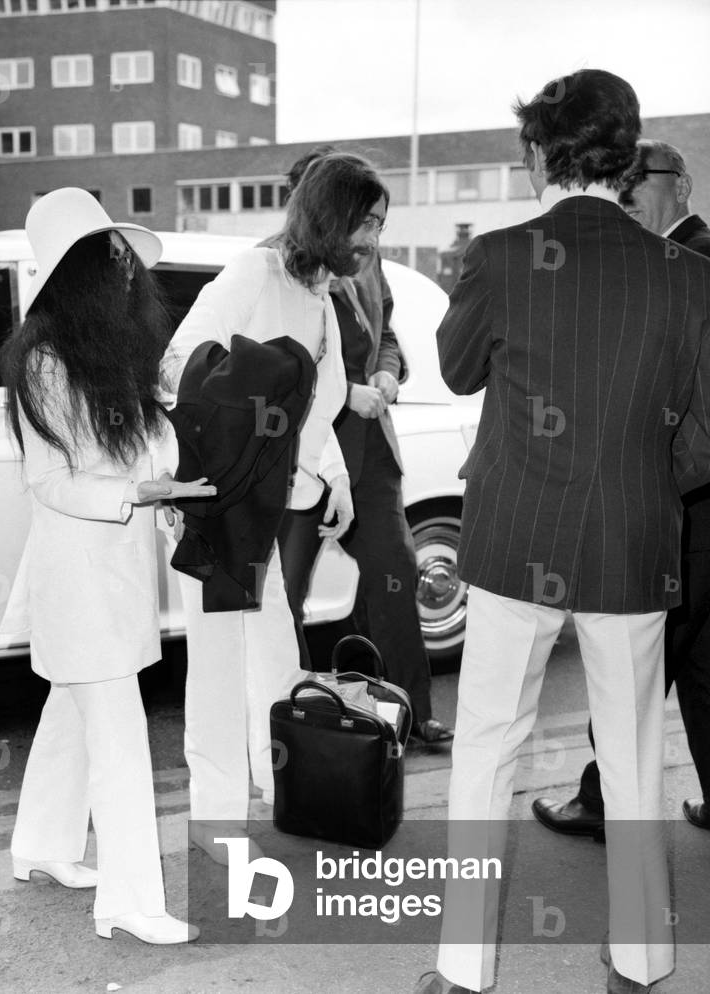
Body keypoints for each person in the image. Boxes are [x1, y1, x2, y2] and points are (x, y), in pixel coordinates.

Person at [415, 71, 710, 994]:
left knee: (486, 747)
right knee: (630, 754)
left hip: (511, 540)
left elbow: (459, 372)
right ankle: (641, 962)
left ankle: (464, 974)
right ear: (629, 159)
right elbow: (704, 433)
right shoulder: (689, 275)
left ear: (541, 153)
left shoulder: (501, 256)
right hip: (632, 541)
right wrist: (647, 484)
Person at [0, 188, 215, 945]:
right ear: (81, 271)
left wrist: (160, 484)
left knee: (71, 715)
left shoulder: (105, 355)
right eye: (114, 257)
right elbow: (49, 480)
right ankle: (128, 901)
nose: (130, 271)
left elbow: (148, 454)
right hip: (78, 576)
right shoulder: (47, 363)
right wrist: (138, 491)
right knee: (119, 738)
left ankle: (41, 846)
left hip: (107, 568)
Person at [162, 154, 381, 861]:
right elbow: (180, 364)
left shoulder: (318, 294)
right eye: (366, 223)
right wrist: (224, 459)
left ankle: (278, 782)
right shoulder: (255, 273)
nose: (374, 240)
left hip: (275, 504)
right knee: (221, 666)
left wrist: (334, 475)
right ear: (330, 215)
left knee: (275, 653)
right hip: (225, 506)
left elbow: (321, 399)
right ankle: (218, 822)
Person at [531, 139, 710, 839]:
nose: (630, 188)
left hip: (682, 506)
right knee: (695, 663)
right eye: (623, 176)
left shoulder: (688, 263)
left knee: (635, 661)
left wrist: (656, 480)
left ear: (685, 185)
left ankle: (603, 801)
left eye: (647, 176)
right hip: (693, 509)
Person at [274, 147, 454, 744]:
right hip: (300, 455)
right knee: (286, 595)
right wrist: (343, 391)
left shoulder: (368, 259)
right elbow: (272, 366)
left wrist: (383, 375)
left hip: (370, 455)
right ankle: (292, 723)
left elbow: (389, 336)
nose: (365, 232)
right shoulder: (272, 265)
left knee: (396, 575)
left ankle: (409, 711)